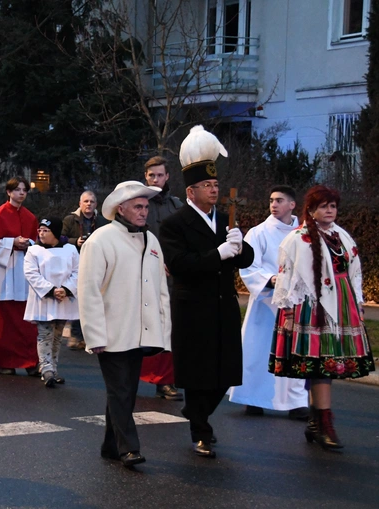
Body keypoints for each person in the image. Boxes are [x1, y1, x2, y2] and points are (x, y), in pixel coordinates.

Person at [158, 125, 254, 459]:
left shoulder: (225, 219)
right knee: (198, 373)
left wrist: (240, 248)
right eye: (207, 186)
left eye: (215, 185)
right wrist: (218, 255)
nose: (214, 191)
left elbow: (247, 257)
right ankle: (201, 428)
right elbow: (179, 262)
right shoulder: (174, 224)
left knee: (225, 372)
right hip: (193, 307)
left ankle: (196, 414)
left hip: (224, 306)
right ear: (191, 191)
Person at [270, 185, 375, 450]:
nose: (330, 211)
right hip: (310, 305)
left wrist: (357, 302)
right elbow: (287, 275)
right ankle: (323, 423)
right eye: (324, 206)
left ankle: (317, 422)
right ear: (312, 210)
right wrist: (290, 310)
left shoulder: (342, 236)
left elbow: (355, 271)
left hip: (340, 303)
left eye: (333, 206)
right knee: (319, 363)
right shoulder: (298, 238)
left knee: (325, 363)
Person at [78, 181, 172, 468]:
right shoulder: (100, 239)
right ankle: (129, 447)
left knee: (126, 391)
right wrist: (94, 335)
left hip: (141, 332)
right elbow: (88, 289)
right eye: (138, 207)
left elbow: (160, 290)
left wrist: (163, 331)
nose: (144, 212)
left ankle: (111, 445)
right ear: (122, 209)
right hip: (112, 332)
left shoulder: (151, 241)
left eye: (146, 206)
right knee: (120, 390)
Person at [228, 186, 308, 418]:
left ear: (292, 205)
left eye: (279, 200)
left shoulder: (305, 234)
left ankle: (295, 403)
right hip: (266, 302)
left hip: (296, 303)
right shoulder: (258, 232)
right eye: (271, 200)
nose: (273, 204)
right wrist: (270, 279)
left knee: (294, 353)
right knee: (258, 351)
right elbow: (248, 265)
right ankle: (253, 398)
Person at [0, 176, 39, 375]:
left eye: (24, 190)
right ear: (9, 192)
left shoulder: (30, 217)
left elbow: (37, 245)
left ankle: (30, 361)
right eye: (17, 189)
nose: (21, 193)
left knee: (25, 322)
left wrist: (27, 244)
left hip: (22, 274)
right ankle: (4, 362)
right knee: (3, 322)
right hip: (3, 276)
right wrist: (11, 243)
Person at [141, 156, 184, 401]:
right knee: (138, 329)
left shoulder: (177, 206)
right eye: (151, 176)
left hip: (170, 279)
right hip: (141, 276)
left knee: (168, 329)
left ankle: (166, 381)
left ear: (168, 176)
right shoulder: (137, 203)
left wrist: (175, 262)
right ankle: (130, 377)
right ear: (145, 177)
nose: (156, 179)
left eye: (160, 175)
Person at [23, 217, 79, 387]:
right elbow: (31, 273)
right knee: (45, 334)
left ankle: (53, 369)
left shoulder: (69, 249)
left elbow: (78, 270)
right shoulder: (34, 251)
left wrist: (66, 288)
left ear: (55, 232)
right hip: (44, 299)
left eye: (45, 230)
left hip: (63, 299)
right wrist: (51, 290)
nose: (41, 233)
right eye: (39, 230)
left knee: (57, 336)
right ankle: (46, 369)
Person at [61, 191, 108, 351]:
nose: (89, 204)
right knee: (77, 301)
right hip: (76, 264)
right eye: (86, 201)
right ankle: (75, 336)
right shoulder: (70, 220)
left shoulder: (102, 221)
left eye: (92, 201)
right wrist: (76, 241)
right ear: (80, 203)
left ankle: (93, 337)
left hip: (97, 263)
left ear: (96, 204)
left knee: (96, 301)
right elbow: (60, 238)